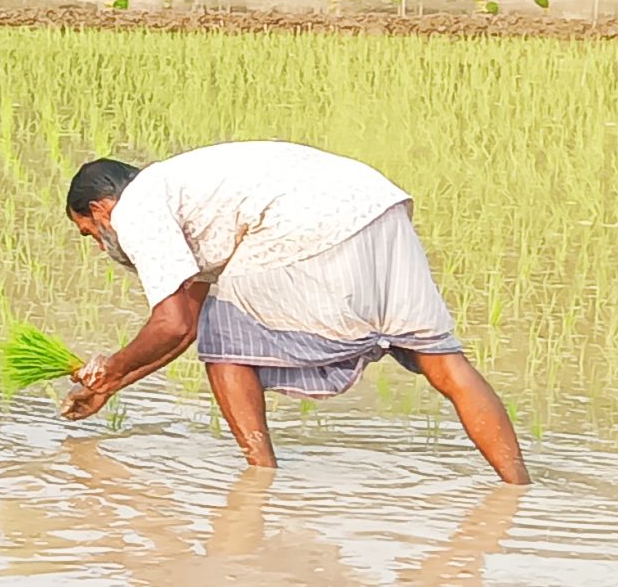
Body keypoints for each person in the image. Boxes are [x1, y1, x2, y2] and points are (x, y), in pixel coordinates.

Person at [60, 142, 527, 483]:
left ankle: (261, 480)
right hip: (376, 206)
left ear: (102, 208)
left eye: (90, 232)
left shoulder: (135, 206)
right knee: (443, 362)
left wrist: (110, 367)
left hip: (309, 217)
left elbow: (173, 323)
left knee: (225, 342)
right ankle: (519, 491)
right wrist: (113, 386)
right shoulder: (185, 192)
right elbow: (184, 325)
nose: (102, 244)